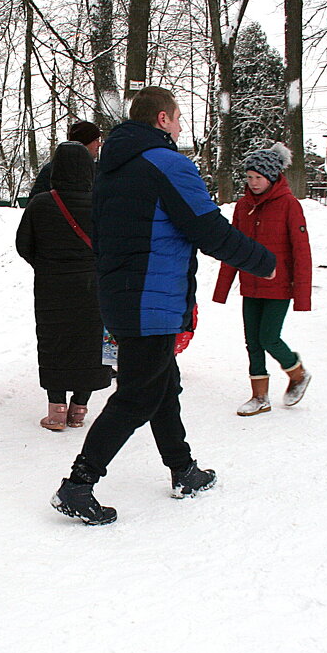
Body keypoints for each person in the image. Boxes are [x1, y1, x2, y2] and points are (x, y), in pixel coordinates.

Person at [49, 86, 276, 525]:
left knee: (162, 384)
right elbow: (207, 228)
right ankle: (78, 484)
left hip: (121, 295)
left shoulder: (110, 169)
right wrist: (262, 262)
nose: (180, 125)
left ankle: (183, 469)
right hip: (150, 299)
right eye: (177, 117)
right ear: (162, 120)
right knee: (136, 397)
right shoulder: (168, 164)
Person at [211, 143, 313, 416]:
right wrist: (222, 288)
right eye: (249, 177)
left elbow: (302, 251)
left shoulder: (289, 205)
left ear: (272, 176)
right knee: (252, 342)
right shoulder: (243, 207)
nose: (253, 182)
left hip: (279, 286)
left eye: (259, 177)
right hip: (250, 285)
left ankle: (297, 372)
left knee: (268, 338)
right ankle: (260, 397)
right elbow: (233, 248)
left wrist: (302, 295)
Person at [16, 141, 112, 430]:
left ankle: (56, 410)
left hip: (51, 288)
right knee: (91, 343)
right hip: (94, 286)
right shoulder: (103, 203)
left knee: (54, 341)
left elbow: (24, 245)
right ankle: (79, 409)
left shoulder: (41, 203)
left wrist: (46, 265)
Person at [27, 121, 103, 200]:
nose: (99, 144)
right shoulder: (51, 170)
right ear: (86, 141)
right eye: (96, 140)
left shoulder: (52, 168)